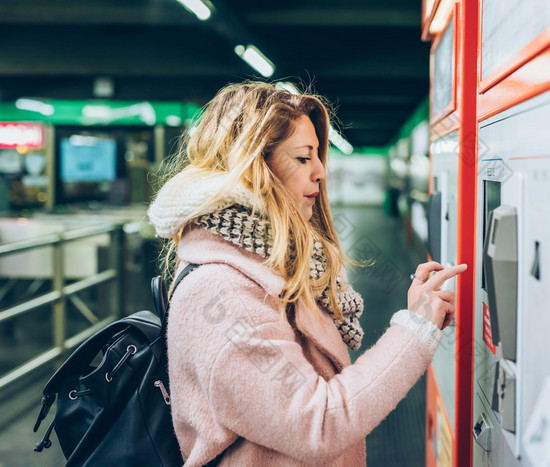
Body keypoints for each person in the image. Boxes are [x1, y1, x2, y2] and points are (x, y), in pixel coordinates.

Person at [147, 82, 467, 466]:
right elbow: (319, 422)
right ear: (253, 168)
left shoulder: (264, 263)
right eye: (303, 158)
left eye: (318, 155)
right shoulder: (221, 292)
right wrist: (415, 329)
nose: (320, 171)